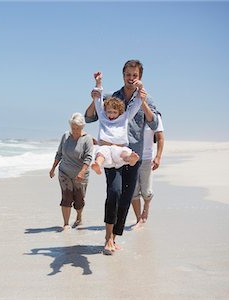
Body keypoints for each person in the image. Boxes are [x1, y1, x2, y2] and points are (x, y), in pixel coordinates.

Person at [84, 60, 160, 255]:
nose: (131, 78)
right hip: (111, 154)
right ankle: (108, 238)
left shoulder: (146, 98)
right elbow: (90, 117)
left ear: (140, 77)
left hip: (133, 154)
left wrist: (143, 103)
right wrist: (94, 97)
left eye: (135, 75)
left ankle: (114, 238)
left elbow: (154, 124)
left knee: (126, 198)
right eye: (128, 74)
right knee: (114, 192)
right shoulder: (112, 97)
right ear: (123, 75)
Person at [90, 71, 143, 174]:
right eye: (109, 112)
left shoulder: (124, 118)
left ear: (120, 112)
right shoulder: (103, 117)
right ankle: (97, 165)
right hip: (105, 148)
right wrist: (98, 83)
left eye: (114, 112)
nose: (111, 115)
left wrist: (140, 88)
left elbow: (136, 104)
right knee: (100, 154)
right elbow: (98, 100)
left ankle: (130, 159)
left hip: (119, 149)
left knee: (125, 153)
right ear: (105, 111)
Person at [49, 112, 94, 231]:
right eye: (73, 128)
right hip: (64, 172)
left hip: (80, 174)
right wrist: (53, 168)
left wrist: (82, 172)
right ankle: (66, 223)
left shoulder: (87, 139)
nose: (74, 130)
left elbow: (88, 158)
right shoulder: (65, 136)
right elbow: (59, 153)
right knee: (66, 196)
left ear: (82, 127)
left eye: (77, 128)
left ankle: (79, 217)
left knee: (79, 200)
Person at [131, 114, 164, 227]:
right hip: (131, 157)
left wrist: (158, 157)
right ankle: (138, 219)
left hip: (147, 158)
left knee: (146, 191)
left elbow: (160, 137)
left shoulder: (155, 116)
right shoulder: (131, 112)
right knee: (133, 190)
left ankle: (146, 207)